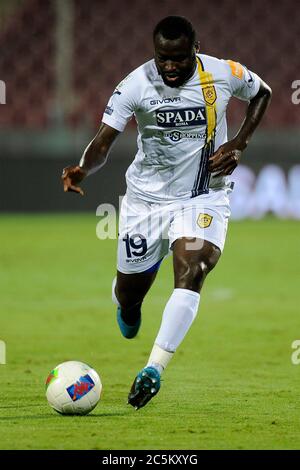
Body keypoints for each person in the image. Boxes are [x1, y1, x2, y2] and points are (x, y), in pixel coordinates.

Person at [62, 16, 272, 410]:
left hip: (203, 197)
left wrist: (240, 143)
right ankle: (128, 299)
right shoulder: (136, 84)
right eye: (163, 59)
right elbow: (104, 140)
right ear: (154, 53)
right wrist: (82, 168)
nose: (170, 67)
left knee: (193, 268)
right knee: (129, 297)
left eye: (178, 58)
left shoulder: (223, 73)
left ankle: (154, 368)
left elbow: (263, 92)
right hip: (146, 202)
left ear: (195, 48)